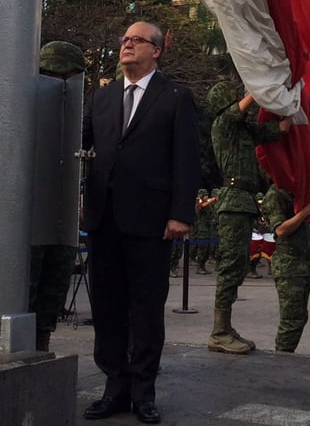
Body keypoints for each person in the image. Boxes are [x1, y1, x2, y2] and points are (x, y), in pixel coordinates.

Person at [82, 21, 201, 424]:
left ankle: (143, 392)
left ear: (157, 50)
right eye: (124, 40)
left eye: (137, 40)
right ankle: (114, 388)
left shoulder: (175, 96)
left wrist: (181, 213)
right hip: (104, 220)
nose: (127, 45)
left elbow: (187, 158)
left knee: (146, 308)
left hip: (152, 222)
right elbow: (80, 143)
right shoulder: (102, 97)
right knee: (107, 306)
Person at [206, 81, 292, 355]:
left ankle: (226, 327)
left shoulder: (243, 129)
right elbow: (244, 104)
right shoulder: (224, 124)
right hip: (233, 201)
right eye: (233, 96)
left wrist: (293, 101)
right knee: (231, 266)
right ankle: (219, 332)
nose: (238, 99)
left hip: (244, 201)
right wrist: (260, 81)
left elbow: (280, 130)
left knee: (240, 263)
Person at [30, 40, 86, 351]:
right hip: (26, 221)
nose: (63, 84)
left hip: (62, 220)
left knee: (53, 290)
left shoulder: (76, 109)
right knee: (23, 291)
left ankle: (42, 347)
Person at [262, 185, 310, 352]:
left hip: (302, 264)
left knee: (299, 317)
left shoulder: (293, 192)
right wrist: (306, 211)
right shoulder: (275, 194)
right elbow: (280, 229)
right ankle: (282, 358)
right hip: (289, 264)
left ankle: (285, 354)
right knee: (291, 319)